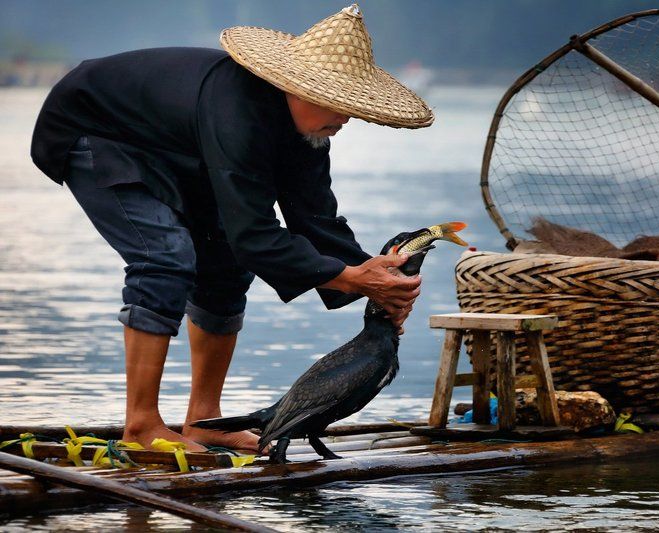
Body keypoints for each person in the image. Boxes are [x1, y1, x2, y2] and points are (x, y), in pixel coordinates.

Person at [29, 4, 434, 452]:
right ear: (294, 89)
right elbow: (256, 234)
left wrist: (372, 278)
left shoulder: (310, 132)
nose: (347, 117)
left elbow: (315, 219)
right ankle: (141, 425)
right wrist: (350, 278)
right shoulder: (238, 112)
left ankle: (204, 422)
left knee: (223, 261)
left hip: (178, 146)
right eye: (339, 105)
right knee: (163, 258)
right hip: (93, 128)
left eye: (352, 107)